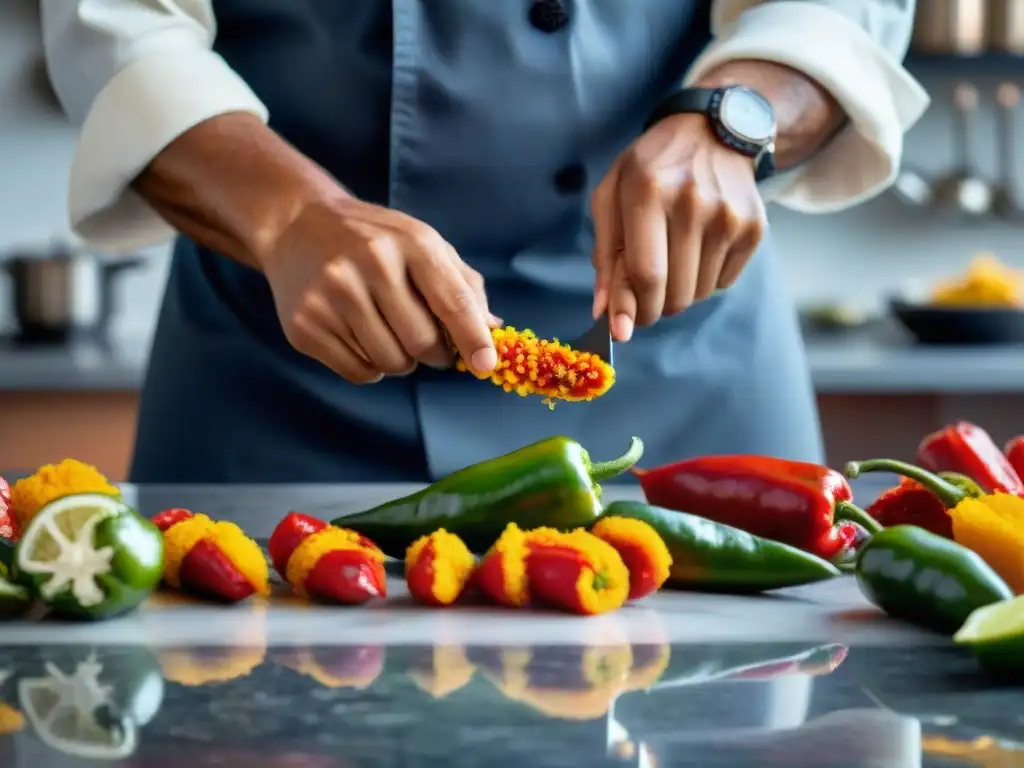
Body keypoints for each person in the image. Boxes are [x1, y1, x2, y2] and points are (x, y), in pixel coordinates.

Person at [41, 0, 928, 484]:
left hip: (683, 388)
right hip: (279, 390)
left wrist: (733, 122)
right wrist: (284, 217)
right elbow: (116, 27)